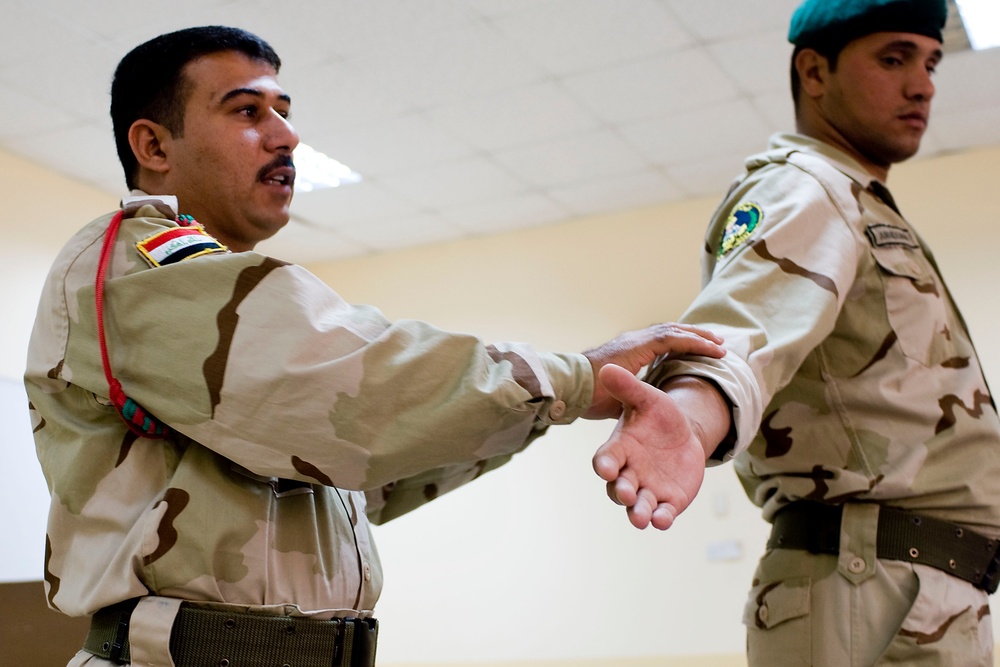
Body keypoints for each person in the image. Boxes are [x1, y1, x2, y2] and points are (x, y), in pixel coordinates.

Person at [23, 26, 730, 667]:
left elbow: (371, 471)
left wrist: (549, 405)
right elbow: (356, 390)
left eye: (284, 111)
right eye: (247, 111)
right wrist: (575, 380)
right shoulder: (138, 262)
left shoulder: (231, 302)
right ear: (153, 146)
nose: (285, 135)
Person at [592, 0, 1000, 664]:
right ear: (814, 71)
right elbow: (746, 323)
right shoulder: (804, 189)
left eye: (930, 62)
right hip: (870, 590)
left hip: (912, 590)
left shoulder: (854, 198)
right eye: (893, 58)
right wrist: (692, 413)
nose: (923, 83)